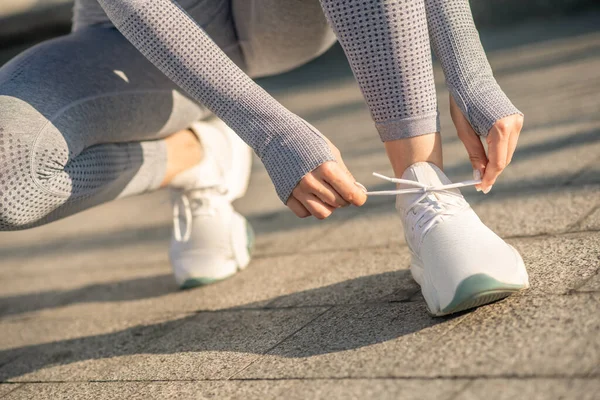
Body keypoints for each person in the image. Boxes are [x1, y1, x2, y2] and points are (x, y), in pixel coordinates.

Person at [0, 0, 528, 316]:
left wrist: (470, 71)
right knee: (9, 174)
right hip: (133, 39)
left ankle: (423, 189)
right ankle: (197, 157)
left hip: (283, 17)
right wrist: (269, 133)